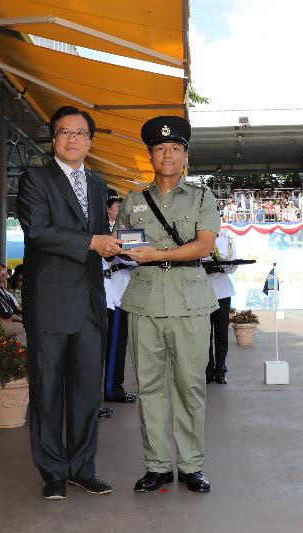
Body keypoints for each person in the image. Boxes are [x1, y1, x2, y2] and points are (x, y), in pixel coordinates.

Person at [17, 105, 122, 500]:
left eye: (80, 133)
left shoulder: (97, 183)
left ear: (90, 141)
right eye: (65, 132)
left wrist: (113, 245)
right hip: (50, 303)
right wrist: (92, 243)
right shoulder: (34, 179)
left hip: (90, 304)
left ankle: (83, 468)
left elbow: (98, 235)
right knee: (47, 393)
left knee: (85, 393)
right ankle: (53, 473)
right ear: (53, 139)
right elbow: (38, 232)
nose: (73, 139)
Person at [115, 115, 219, 494]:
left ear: (185, 154)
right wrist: (126, 251)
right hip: (143, 303)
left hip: (190, 303)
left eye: (175, 147)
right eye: (160, 148)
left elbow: (204, 245)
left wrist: (158, 253)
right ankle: (157, 466)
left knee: (190, 388)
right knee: (150, 387)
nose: (168, 154)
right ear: (150, 156)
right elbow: (125, 246)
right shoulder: (133, 201)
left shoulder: (203, 198)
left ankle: (191, 466)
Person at [103, 190, 137, 404]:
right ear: (107, 210)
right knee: (112, 343)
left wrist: (130, 253)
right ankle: (111, 388)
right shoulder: (104, 231)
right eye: (118, 207)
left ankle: (115, 386)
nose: (122, 211)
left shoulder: (128, 231)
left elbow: (135, 259)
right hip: (110, 288)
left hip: (122, 289)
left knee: (119, 342)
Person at [205, 227, 240, 384]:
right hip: (203, 290)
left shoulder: (227, 240)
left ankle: (220, 370)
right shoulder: (198, 238)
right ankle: (208, 370)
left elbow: (233, 266)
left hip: (222, 291)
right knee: (205, 335)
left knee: (221, 334)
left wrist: (222, 265)